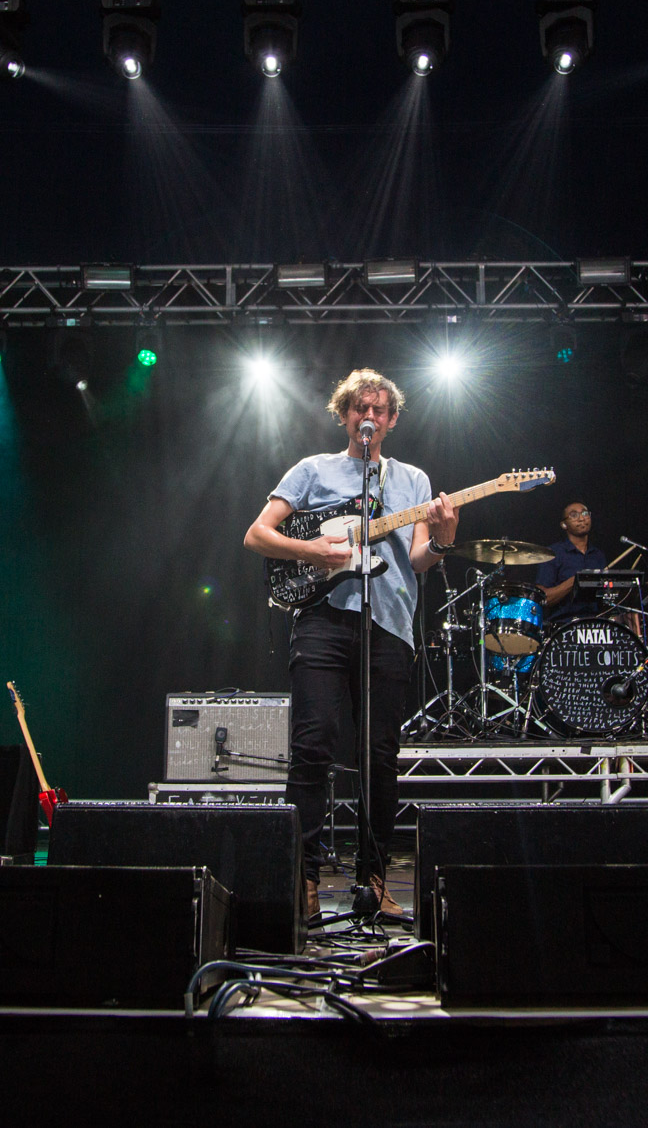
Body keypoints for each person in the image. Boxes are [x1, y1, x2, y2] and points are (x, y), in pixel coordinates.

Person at [244, 369, 458, 921]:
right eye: (361, 407)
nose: (371, 416)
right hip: (321, 620)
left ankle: (375, 880)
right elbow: (257, 534)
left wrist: (444, 537)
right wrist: (316, 552)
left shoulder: (411, 479)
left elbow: (417, 560)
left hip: (388, 627)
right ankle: (305, 879)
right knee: (313, 747)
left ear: (391, 420)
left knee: (380, 758)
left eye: (381, 410)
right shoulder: (313, 470)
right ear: (344, 414)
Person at [536, 500, 610, 626]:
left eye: (585, 513)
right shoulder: (553, 554)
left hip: (597, 626)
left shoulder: (598, 556)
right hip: (563, 626)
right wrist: (575, 581)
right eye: (574, 515)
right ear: (564, 524)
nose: (581, 518)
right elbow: (543, 598)